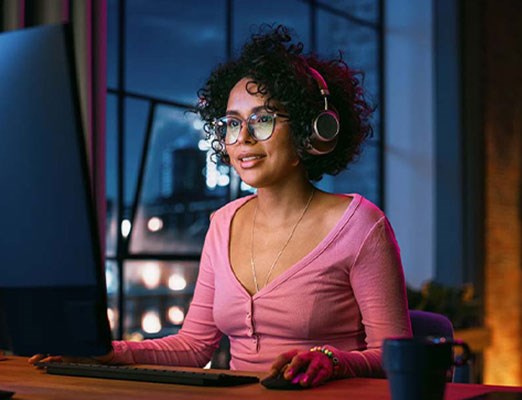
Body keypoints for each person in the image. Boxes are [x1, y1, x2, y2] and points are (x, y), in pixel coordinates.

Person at [30, 24, 412, 388]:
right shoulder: (222, 223)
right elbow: (195, 346)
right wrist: (106, 353)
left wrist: (332, 360)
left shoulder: (360, 225)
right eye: (231, 123)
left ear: (309, 130)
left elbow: (395, 356)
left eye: (262, 120)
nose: (242, 138)